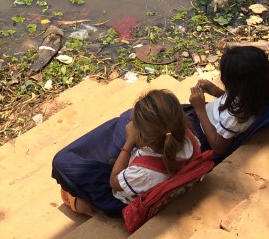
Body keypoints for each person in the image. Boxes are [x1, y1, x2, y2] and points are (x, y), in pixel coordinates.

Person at [52, 89, 199, 217]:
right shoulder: (190, 139)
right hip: (140, 174)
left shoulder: (144, 173)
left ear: (142, 138)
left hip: (121, 197)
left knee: (61, 162)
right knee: (127, 116)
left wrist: (128, 144)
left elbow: (114, 183)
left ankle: (91, 206)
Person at [187, 45, 269, 158]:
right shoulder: (258, 94)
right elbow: (236, 104)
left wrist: (200, 109)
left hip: (203, 132)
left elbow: (218, 148)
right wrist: (217, 92)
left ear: (234, 85)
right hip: (210, 117)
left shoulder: (233, 117)